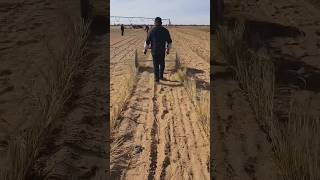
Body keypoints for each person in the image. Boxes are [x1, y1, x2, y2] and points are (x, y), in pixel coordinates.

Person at [144, 17, 172, 83]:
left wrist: (145, 49)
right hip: (162, 51)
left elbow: (147, 42)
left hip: (154, 51)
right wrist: (168, 50)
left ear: (155, 23)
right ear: (161, 22)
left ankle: (157, 80)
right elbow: (169, 42)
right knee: (162, 64)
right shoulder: (165, 30)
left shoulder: (151, 30)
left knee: (155, 65)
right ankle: (161, 76)